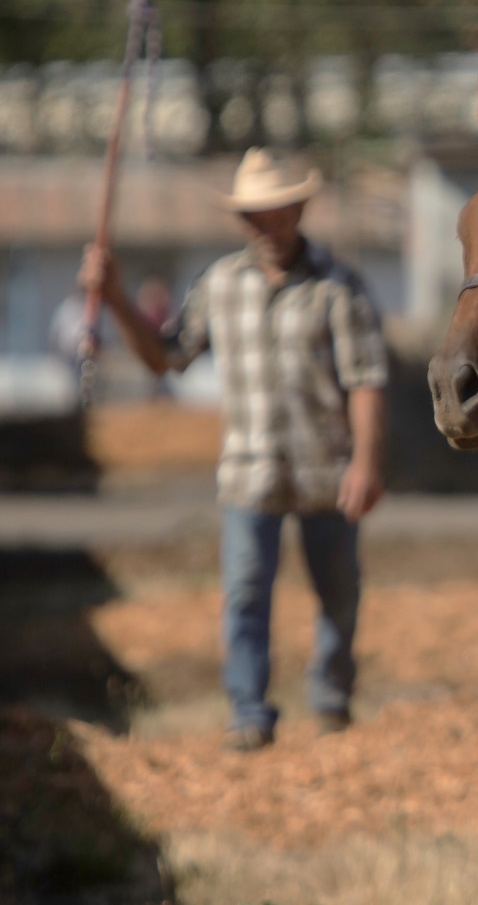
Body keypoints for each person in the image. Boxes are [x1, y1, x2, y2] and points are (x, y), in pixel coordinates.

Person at [80, 148, 388, 752]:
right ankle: (248, 710)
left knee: (338, 591)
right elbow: (164, 357)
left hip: (325, 467)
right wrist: (115, 299)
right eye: (254, 217)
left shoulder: (339, 286)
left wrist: (368, 462)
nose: (267, 227)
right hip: (249, 470)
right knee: (245, 591)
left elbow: (366, 380)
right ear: (241, 222)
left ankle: (331, 698)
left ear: (298, 209)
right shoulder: (220, 285)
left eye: (277, 213)